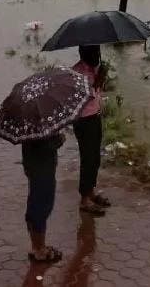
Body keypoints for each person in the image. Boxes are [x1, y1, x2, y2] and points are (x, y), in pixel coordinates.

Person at [71, 45, 110, 216]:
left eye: (98, 52)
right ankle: (84, 199)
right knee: (87, 158)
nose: (97, 56)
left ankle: (90, 191)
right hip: (83, 120)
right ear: (84, 54)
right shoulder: (77, 72)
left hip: (94, 116)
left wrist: (101, 79)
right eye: (94, 53)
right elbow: (80, 98)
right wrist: (96, 82)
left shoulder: (95, 69)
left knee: (95, 158)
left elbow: (98, 92)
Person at [22, 132, 64, 263]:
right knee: (42, 204)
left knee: (36, 201)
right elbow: (46, 145)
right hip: (42, 167)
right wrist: (59, 140)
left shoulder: (28, 125)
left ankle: (38, 245)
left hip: (32, 164)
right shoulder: (41, 127)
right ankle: (39, 250)